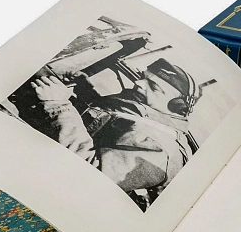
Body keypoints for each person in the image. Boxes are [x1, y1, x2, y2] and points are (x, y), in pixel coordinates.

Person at [30, 58, 200, 210]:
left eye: (153, 86)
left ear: (176, 106)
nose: (139, 83)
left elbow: (91, 175)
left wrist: (58, 105)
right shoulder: (147, 111)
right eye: (143, 77)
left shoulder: (159, 150)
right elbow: (109, 119)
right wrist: (84, 88)